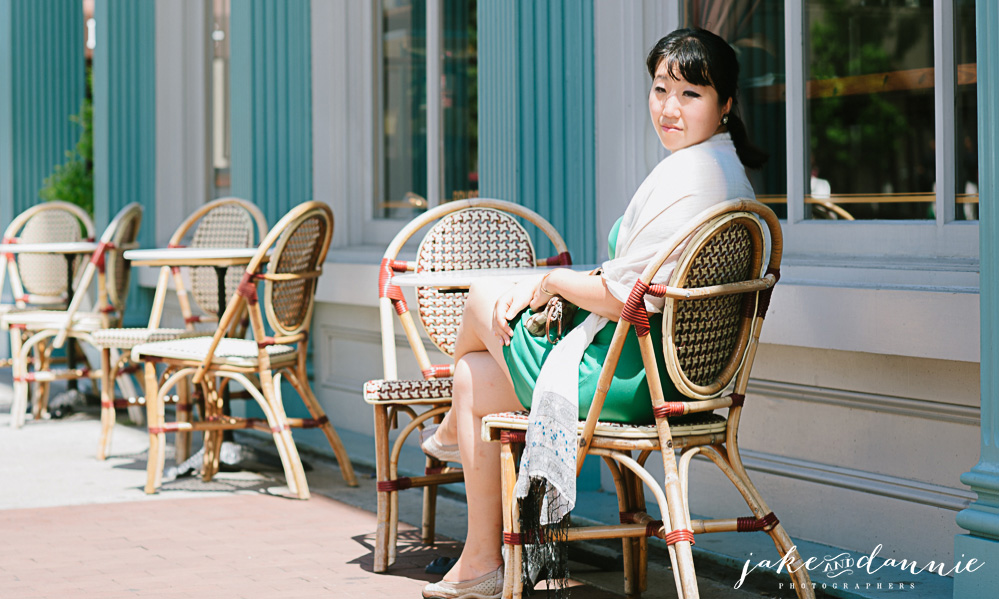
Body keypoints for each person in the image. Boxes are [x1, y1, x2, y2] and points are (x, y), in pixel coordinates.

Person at [419, 27, 767, 599]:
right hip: (663, 367)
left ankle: (449, 434)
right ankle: (481, 562)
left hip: (631, 376)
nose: (669, 108)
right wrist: (561, 288)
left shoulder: (695, 175)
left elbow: (622, 297)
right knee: (473, 375)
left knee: (483, 296)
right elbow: (636, 280)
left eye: (690, 94)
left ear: (725, 104)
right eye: (660, 90)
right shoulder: (719, 170)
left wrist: (555, 280)